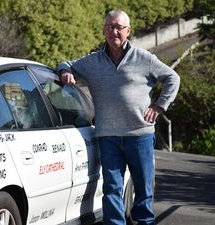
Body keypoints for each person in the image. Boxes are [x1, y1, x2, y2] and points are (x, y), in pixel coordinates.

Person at [56, 10, 180, 225]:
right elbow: (65, 64)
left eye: (119, 27)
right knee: (111, 188)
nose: (114, 31)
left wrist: (159, 106)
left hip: (139, 135)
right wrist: (64, 72)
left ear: (128, 31)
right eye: (109, 27)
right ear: (104, 30)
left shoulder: (144, 58)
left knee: (143, 189)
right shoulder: (93, 61)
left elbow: (172, 78)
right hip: (108, 137)